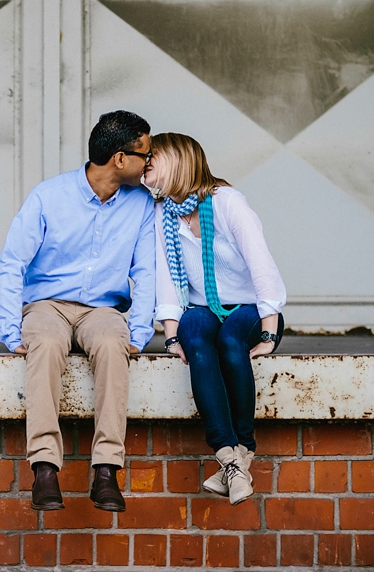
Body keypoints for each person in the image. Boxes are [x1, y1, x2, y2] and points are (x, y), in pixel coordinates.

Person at [0, 111, 156, 512]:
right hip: (47, 304)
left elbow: (147, 271)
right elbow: (11, 261)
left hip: (103, 309)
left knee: (113, 344)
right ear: (120, 159)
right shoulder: (49, 196)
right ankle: (45, 469)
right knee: (46, 343)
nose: (149, 163)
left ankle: (106, 471)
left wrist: (137, 333)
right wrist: (11, 330)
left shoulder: (142, 205)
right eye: (144, 155)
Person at [143, 132, 285, 506]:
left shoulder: (227, 203)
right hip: (203, 309)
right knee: (198, 338)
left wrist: (269, 332)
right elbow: (166, 279)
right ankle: (229, 460)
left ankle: (245, 447)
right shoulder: (163, 214)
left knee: (228, 341)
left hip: (251, 311)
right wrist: (172, 335)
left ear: (178, 160)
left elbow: (262, 265)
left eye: (152, 156)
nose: (145, 163)